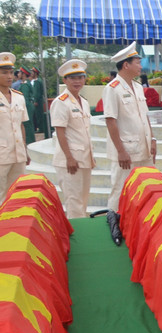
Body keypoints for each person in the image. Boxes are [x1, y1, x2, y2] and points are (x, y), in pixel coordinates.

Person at [102, 43, 156, 212]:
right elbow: (111, 121)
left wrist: (152, 139)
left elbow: (144, 116)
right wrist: (120, 151)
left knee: (146, 187)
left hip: (143, 147)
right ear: (126, 65)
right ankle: (115, 222)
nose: (141, 66)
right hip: (126, 150)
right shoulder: (112, 89)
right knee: (121, 188)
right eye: (137, 62)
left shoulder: (139, 87)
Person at [50, 59, 93, 219]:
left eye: (80, 77)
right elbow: (60, 132)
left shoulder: (84, 102)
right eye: (73, 78)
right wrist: (69, 157)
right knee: (74, 202)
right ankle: (78, 239)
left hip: (84, 158)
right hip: (70, 161)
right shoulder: (61, 103)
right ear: (65, 80)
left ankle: (81, 233)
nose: (77, 81)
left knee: (83, 199)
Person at [0, 53, 30, 195]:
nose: (9, 76)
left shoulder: (19, 97)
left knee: (15, 194)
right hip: (1, 153)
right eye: (4, 73)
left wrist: (24, 148)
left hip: (17, 153)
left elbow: (21, 125)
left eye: (11, 72)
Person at [18, 66, 34, 145]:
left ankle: (29, 142)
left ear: (23, 74)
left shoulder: (25, 85)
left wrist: (23, 108)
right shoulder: (26, 83)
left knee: (27, 124)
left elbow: (24, 98)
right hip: (28, 105)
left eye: (20, 73)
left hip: (27, 106)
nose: (18, 74)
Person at [31, 67, 48, 137]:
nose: (31, 74)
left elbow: (37, 93)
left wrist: (36, 100)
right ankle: (37, 127)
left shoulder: (38, 81)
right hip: (34, 100)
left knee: (39, 115)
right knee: (35, 115)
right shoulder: (33, 81)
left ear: (35, 73)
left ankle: (41, 128)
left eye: (32, 72)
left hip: (38, 101)